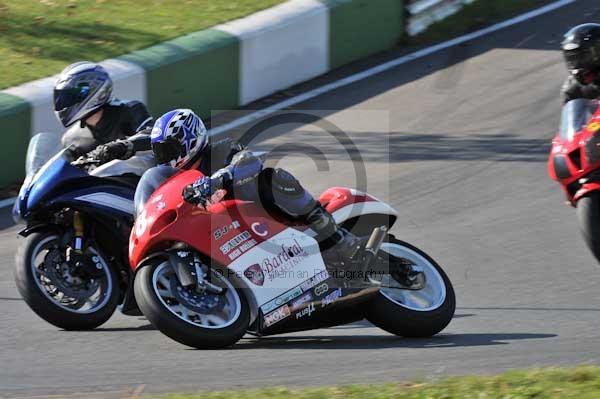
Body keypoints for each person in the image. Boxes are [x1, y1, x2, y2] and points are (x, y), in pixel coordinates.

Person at [148, 108, 365, 269]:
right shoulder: (178, 182)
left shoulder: (220, 150)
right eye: (161, 153)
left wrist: (219, 178)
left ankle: (340, 239)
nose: (165, 158)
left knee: (272, 178)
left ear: (190, 140)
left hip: (257, 217)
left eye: (169, 150)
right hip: (227, 235)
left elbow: (249, 159)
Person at [53, 61, 153, 162]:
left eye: (71, 96)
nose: (65, 102)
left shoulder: (129, 110)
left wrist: (124, 146)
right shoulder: (71, 139)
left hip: (137, 174)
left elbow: (151, 137)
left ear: (94, 91)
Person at [562, 23, 600, 103]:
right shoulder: (572, 89)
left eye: (582, 57)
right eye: (572, 58)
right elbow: (571, 112)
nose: (576, 63)